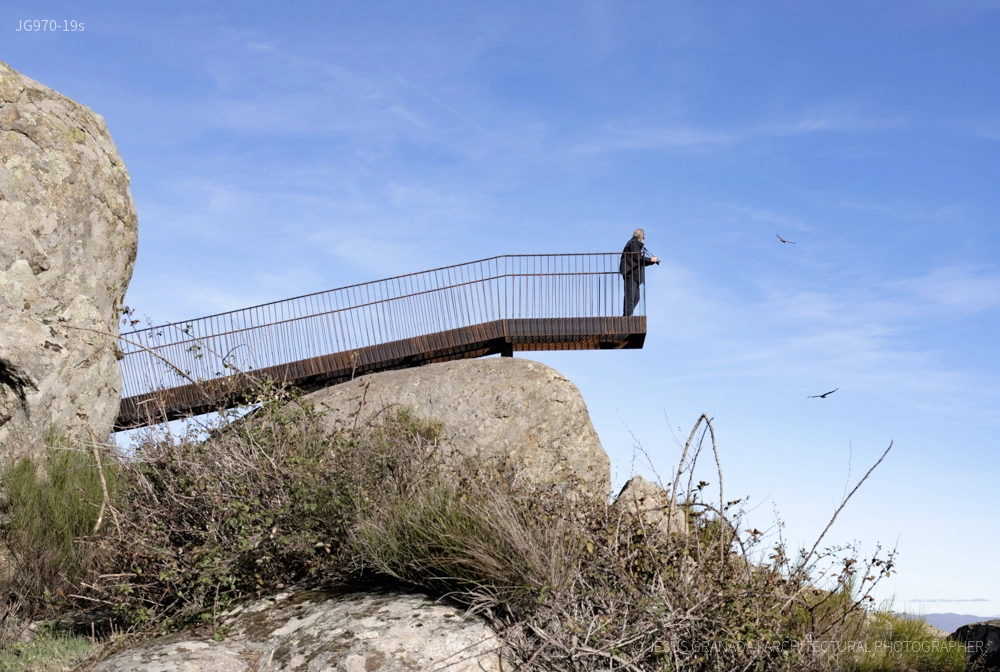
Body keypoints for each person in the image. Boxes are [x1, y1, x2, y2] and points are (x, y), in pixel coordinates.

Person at [619, 228, 659, 316]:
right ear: (641, 237)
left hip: (634, 275)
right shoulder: (634, 243)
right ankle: (627, 316)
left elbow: (639, 261)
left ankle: (627, 315)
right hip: (631, 274)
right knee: (630, 296)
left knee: (636, 297)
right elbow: (637, 258)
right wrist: (651, 260)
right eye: (643, 238)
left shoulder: (634, 244)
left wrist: (651, 261)